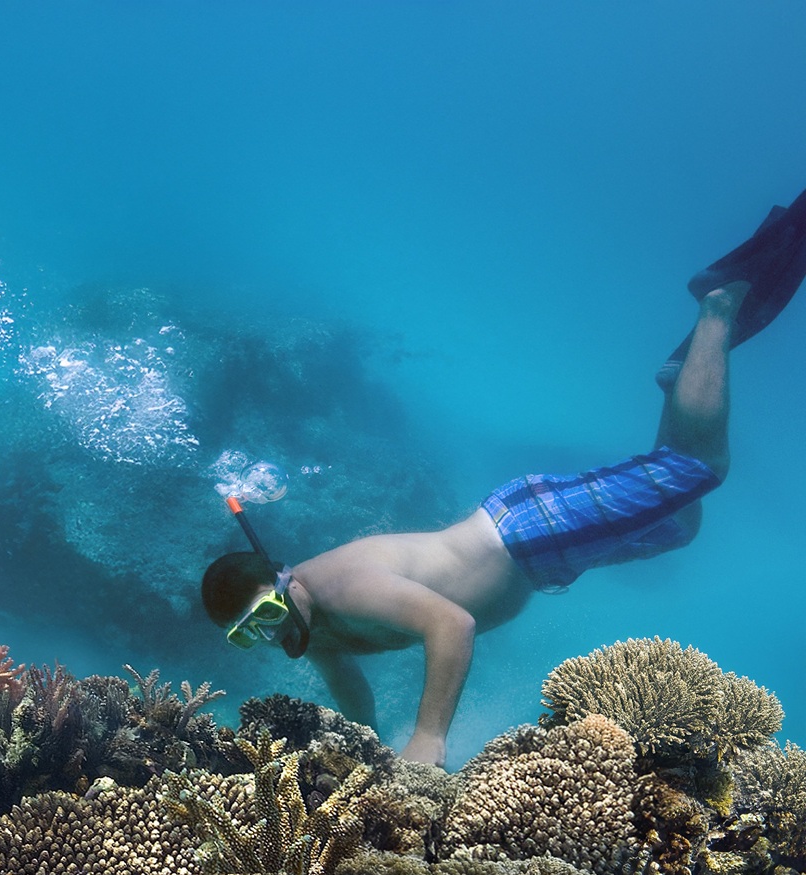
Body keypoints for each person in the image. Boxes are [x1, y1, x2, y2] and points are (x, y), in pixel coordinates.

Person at [201, 191, 806, 767]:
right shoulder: (314, 630)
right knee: (678, 524)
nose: (273, 633)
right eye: (249, 635)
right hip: (539, 559)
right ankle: (684, 378)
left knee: (701, 470)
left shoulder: (343, 588)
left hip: (526, 532)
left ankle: (718, 305)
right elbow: (352, 695)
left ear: (286, 580)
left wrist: (428, 739)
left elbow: (452, 623)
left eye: (269, 611)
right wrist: (370, 750)